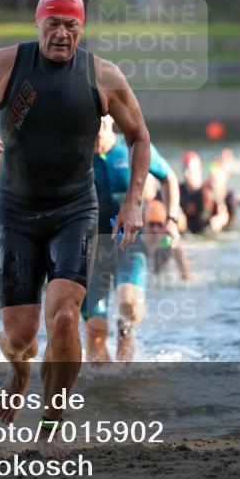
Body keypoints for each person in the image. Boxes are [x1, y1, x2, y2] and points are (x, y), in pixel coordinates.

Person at [0, 0, 150, 452]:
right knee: (21, 335)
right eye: (54, 24)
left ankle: (51, 425)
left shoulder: (102, 76)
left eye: (72, 25)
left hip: (74, 209)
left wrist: (133, 200)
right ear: (38, 22)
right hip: (15, 211)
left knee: (66, 314)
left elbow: (140, 137)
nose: (62, 35)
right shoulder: (4, 65)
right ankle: (18, 369)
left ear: (82, 28)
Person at [83, 115, 181, 362]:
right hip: (91, 251)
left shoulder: (130, 148)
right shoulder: (76, 152)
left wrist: (171, 219)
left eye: (102, 121)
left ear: (111, 120)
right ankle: (107, 390)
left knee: (129, 306)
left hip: (130, 245)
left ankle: (126, 339)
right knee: (95, 338)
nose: (97, 129)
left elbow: (169, 178)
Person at [179, 151, 230, 233]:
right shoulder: (178, 190)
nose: (186, 173)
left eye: (189, 169)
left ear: (199, 170)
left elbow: (223, 214)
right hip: (186, 233)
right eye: (184, 169)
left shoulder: (209, 190)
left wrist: (218, 220)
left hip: (206, 231)